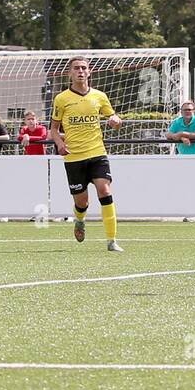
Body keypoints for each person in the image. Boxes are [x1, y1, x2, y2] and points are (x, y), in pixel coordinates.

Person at [50, 56, 123, 251]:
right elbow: (54, 130)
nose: (80, 71)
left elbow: (113, 117)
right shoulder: (62, 99)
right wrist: (59, 144)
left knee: (105, 190)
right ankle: (80, 220)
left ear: (89, 72)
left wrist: (116, 120)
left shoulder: (99, 96)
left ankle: (111, 241)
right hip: (74, 157)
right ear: (70, 73)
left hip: (97, 153)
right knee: (82, 202)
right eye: (76, 68)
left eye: (83, 68)